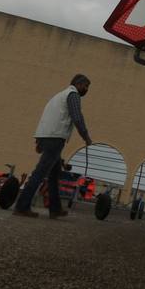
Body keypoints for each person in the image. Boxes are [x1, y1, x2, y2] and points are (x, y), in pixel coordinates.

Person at [13, 74, 93, 219]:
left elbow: (46, 118)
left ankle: (55, 209)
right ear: (78, 84)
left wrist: (39, 140)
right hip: (55, 138)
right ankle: (21, 206)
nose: (86, 89)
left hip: (47, 136)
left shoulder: (58, 96)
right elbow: (77, 117)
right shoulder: (73, 95)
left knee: (54, 175)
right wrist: (86, 137)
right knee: (40, 173)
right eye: (86, 86)